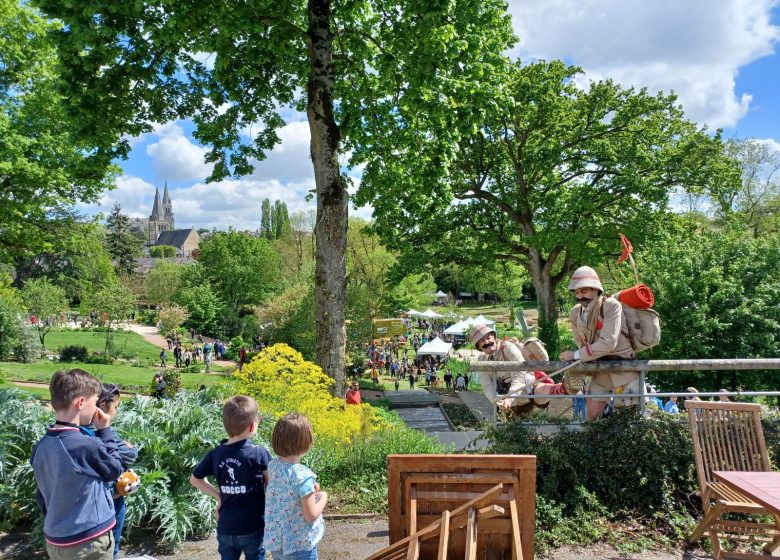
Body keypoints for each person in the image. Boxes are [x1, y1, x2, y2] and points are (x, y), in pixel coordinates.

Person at [30, 369, 124, 559]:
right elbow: (114, 470)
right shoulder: (84, 445)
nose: (97, 407)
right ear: (81, 403)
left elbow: (42, 496)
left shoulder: (40, 446)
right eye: (95, 401)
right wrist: (105, 431)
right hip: (88, 540)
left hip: (57, 540)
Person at [190, 396, 272, 560]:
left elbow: (194, 479)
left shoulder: (216, 454)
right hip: (253, 527)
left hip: (226, 527)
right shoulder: (259, 453)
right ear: (252, 426)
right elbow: (272, 483)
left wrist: (218, 495)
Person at [560, 266, 637, 421]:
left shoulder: (611, 306)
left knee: (633, 421)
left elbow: (608, 343)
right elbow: (581, 343)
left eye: (584, 291)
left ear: (596, 290)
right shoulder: (575, 313)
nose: (580, 296)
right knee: (590, 421)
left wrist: (574, 355)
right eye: (577, 292)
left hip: (624, 371)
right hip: (599, 373)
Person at [470, 324, 582, 417]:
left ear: (494, 337)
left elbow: (519, 374)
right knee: (516, 435)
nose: (487, 342)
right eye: (482, 341)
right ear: (479, 346)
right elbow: (487, 385)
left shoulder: (508, 348)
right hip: (507, 401)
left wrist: (510, 398)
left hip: (523, 388)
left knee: (536, 391)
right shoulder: (482, 360)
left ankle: (566, 387)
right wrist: (498, 402)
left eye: (488, 338)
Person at [264, 413, 327, 560]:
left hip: (278, 542)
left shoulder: (273, 466)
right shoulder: (303, 476)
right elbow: (310, 515)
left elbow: (285, 492)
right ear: (307, 441)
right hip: (300, 546)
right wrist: (323, 496)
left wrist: (310, 490)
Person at [87, 383, 138, 560]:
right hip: (112, 498)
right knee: (112, 547)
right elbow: (129, 455)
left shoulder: (81, 431)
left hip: (93, 502)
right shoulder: (103, 433)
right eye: (115, 407)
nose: (116, 411)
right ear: (102, 406)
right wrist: (131, 447)